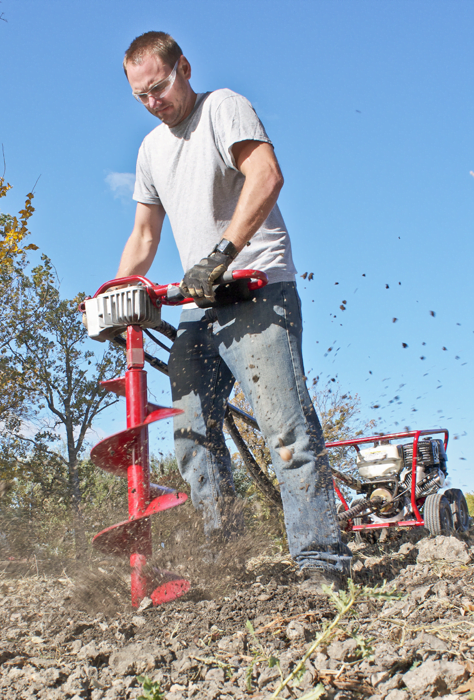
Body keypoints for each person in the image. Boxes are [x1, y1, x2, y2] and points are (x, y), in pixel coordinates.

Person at [116, 31, 352, 592]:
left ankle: (322, 565)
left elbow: (266, 175)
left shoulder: (222, 107)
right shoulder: (150, 148)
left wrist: (222, 253)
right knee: (190, 431)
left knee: (285, 430)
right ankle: (228, 558)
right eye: (141, 96)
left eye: (160, 86)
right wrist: (118, 294)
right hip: (201, 306)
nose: (154, 102)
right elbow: (145, 235)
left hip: (255, 289)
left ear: (184, 68)